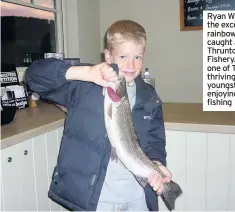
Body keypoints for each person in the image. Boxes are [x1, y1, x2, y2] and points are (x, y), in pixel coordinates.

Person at [26, 20, 172, 211]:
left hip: (137, 197)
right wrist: (85, 72)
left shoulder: (149, 96)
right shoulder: (85, 85)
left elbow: (154, 140)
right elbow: (33, 77)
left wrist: (157, 164)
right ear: (108, 56)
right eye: (123, 56)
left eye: (138, 57)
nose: (131, 64)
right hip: (96, 198)